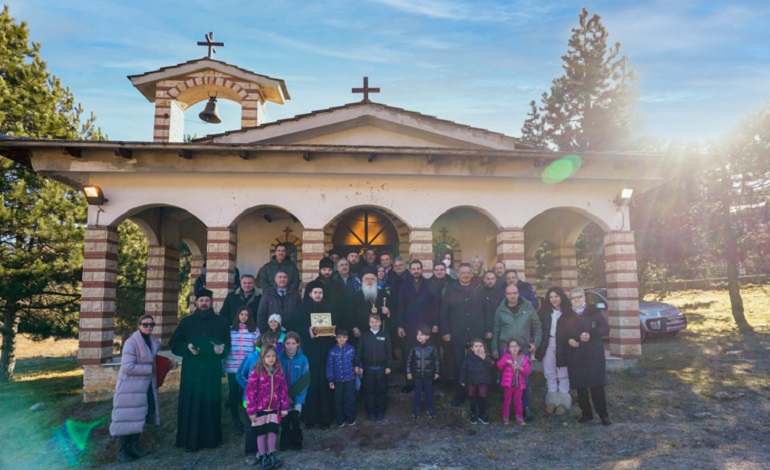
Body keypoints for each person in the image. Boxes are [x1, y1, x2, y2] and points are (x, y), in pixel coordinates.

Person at [169, 288, 231, 452]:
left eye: (207, 301)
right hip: (192, 372)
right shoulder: (186, 322)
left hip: (211, 371)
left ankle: (211, 440)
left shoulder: (222, 322)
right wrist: (187, 347)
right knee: (191, 406)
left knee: (211, 407)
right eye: (201, 301)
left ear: (212, 303)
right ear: (196, 303)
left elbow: (227, 345)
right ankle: (189, 441)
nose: (204, 303)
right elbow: (174, 343)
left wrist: (222, 349)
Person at [110, 314, 162, 462]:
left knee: (139, 416)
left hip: (145, 387)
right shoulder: (131, 343)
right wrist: (149, 369)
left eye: (151, 324)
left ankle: (133, 447)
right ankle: (122, 452)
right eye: (145, 324)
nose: (149, 327)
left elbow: (153, 361)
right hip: (130, 387)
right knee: (127, 418)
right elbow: (127, 367)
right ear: (139, 325)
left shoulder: (153, 341)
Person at [287, 285, 336, 429]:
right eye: (315, 292)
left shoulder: (330, 308)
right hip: (309, 351)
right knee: (310, 383)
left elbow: (337, 326)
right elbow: (294, 326)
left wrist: (331, 331)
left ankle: (325, 418)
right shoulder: (301, 309)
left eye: (320, 292)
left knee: (324, 384)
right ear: (310, 294)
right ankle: (309, 417)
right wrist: (307, 331)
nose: (318, 295)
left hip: (325, 351)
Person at [491, 284, 542, 421]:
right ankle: (507, 409)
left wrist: (535, 343)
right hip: (505, 350)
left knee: (524, 379)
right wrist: (494, 348)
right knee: (507, 378)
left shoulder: (528, 308)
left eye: (514, 293)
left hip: (523, 349)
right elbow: (496, 330)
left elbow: (537, 326)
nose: (512, 296)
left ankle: (525, 407)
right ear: (505, 295)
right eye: (509, 293)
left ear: (518, 293)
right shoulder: (500, 310)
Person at [440, 263, 486, 406]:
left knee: (476, 365)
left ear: (471, 274)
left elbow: (486, 310)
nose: (465, 275)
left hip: (476, 333)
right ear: (458, 275)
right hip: (457, 333)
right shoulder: (451, 289)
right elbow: (444, 312)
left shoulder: (479, 288)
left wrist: (488, 329)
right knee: (458, 366)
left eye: (468, 272)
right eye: (463, 273)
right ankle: (460, 394)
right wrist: (446, 331)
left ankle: (476, 395)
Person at [567, 288, 612, 425]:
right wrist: (569, 340)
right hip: (576, 353)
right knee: (581, 386)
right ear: (570, 300)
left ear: (584, 297)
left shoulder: (593, 311)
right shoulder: (567, 315)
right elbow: (562, 333)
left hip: (593, 353)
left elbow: (605, 328)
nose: (577, 299)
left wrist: (591, 334)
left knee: (596, 385)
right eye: (573, 297)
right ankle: (586, 414)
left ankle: (603, 415)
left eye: (579, 297)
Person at [246, 344, 290, 469]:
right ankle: (262, 456)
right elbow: (250, 391)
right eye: (268, 356)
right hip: (260, 408)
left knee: (272, 432)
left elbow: (283, 389)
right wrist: (251, 411)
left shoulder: (279, 371)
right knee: (260, 433)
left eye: (273, 356)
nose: (271, 358)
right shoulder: (257, 371)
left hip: (274, 408)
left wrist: (284, 407)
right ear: (262, 357)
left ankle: (272, 455)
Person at [535, 286, 577, 416]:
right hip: (548, 343)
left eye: (556, 296)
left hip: (563, 344)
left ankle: (563, 400)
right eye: (551, 297)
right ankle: (552, 399)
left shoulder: (569, 312)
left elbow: (575, 329)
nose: (553, 299)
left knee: (563, 371)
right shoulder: (543, 312)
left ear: (561, 297)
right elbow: (537, 328)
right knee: (549, 371)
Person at [397, 260, 436, 393]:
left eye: (418, 268)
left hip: (426, 326)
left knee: (426, 356)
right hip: (408, 326)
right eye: (413, 269)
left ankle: (425, 384)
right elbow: (400, 306)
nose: (416, 271)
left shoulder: (429, 284)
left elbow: (435, 306)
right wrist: (400, 325)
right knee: (409, 355)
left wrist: (434, 324)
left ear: (422, 269)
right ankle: (409, 383)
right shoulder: (404, 285)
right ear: (410, 270)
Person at [224, 307, 259, 435]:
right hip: (232, 368)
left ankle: (249, 417)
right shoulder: (230, 330)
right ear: (237, 315)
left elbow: (257, 349)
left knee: (248, 394)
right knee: (233, 394)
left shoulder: (255, 331)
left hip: (247, 369)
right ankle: (236, 420)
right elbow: (225, 347)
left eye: (246, 315)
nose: (244, 317)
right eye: (241, 314)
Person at [354, 313, 392, 420]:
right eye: (372, 322)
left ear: (380, 322)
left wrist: (389, 366)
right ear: (368, 323)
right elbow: (359, 351)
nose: (374, 324)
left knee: (381, 390)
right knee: (369, 390)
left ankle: (380, 411)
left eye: (376, 321)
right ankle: (370, 412)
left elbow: (389, 352)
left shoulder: (385, 335)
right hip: (368, 367)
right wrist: (356, 364)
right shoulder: (364, 336)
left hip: (382, 367)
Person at [278, 332, 310, 451]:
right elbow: (277, 378)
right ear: (284, 344)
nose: (290, 346)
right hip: (283, 395)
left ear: (298, 344)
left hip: (297, 396)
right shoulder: (279, 358)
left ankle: (297, 440)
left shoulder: (303, 359)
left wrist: (294, 395)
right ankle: (285, 440)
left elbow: (305, 379)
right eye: (288, 343)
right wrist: (284, 395)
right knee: (284, 420)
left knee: (295, 419)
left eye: (293, 343)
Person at [406, 324, 440, 418]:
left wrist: (437, 372)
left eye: (422, 335)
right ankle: (417, 407)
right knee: (417, 391)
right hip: (417, 375)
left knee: (429, 391)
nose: (419, 336)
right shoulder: (413, 347)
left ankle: (429, 407)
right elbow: (409, 360)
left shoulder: (432, 348)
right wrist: (408, 372)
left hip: (428, 375)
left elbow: (436, 361)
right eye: (418, 334)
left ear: (427, 336)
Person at [326, 328, 357, 427]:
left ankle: (351, 418)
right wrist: (330, 380)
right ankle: (340, 420)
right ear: (336, 338)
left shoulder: (351, 349)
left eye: (344, 337)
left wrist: (359, 368)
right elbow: (329, 366)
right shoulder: (332, 351)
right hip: (337, 380)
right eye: (339, 337)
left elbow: (357, 361)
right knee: (338, 400)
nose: (342, 339)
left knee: (350, 399)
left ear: (347, 338)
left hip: (350, 379)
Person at [459, 339, 495, 424]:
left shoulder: (487, 357)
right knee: (473, 399)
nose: (478, 348)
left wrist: (484, 358)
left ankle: (482, 414)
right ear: (472, 348)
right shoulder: (468, 359)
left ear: (484, 348)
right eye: (476, 346)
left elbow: (492, 366)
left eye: (480, 346)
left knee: (483, 399)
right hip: (471, 382)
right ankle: (473, 413)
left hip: (483, 382)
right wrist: (462, 380)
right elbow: (463, 370)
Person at [497, 338, 532, 426]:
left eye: (516, 346)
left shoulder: (524, 358)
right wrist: (505, 362)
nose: (514, 348)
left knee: (518, 401)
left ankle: (519, 417)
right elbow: (499, 365)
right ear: (508, 349)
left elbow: (528, 371)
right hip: (508, 384)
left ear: (519, 347)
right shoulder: (506, 357)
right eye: (512, 346)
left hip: (519, 384)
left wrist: (520, 368)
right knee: (507, 401)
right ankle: (505, 416)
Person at [352, 267, 392, 338]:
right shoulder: (356, 296)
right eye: (367, 279)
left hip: (379, 332)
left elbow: (392, 309)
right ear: (363, 281)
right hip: (362, 330)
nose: (369, 281)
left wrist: (388, 311)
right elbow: (350, 313)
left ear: (376, 280)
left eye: (372, 279)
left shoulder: (383, 294)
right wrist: (355, 328)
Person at [256, 270, 301, 335]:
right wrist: (263, 333)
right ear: (275, 279)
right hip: (272, 332)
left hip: (291, 332)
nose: (282, 279)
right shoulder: (268, 293)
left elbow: (300, 314)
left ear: (287, 279)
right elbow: (261, 314)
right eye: (280, 277)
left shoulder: (295, 294)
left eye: (284, 277)